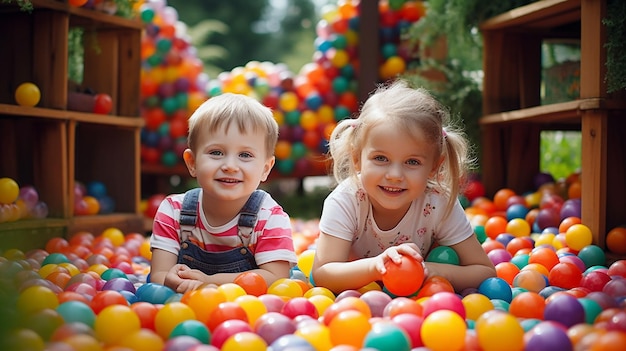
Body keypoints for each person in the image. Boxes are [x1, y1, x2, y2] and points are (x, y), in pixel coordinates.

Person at [310, 79, 496, 294]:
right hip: (360, 303)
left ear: (434, 167)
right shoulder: (346, 200)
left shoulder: (437, 202)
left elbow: (484, 271)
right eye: (380, 158)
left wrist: (434, 270)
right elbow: (322, 273)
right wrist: (375, 267)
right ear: (357, 159)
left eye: (412, 162)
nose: (395, 175)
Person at [149, 93, 297, 293]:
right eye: (216, 152)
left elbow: (276, 277)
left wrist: (210, 282)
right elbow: (159, 274)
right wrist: (172, 281)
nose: (229, 166)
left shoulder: (269, 217)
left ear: (265, 168)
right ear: (192, 163)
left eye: (245, 155)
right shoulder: (173, 212)